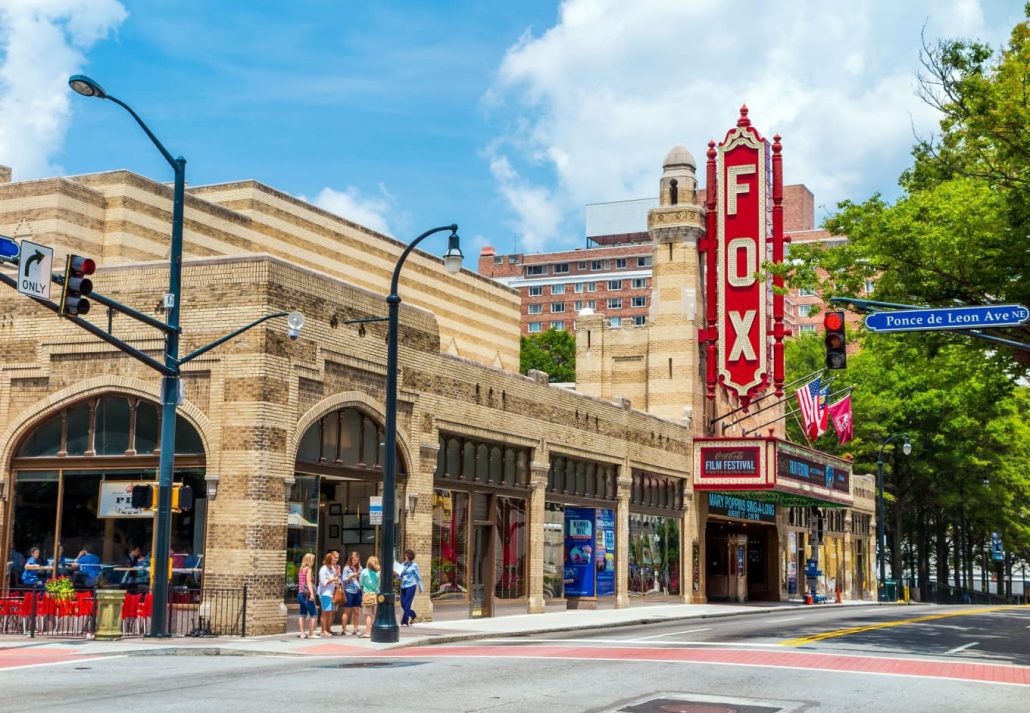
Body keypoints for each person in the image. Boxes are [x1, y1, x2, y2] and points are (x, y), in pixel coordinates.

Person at [316, 551, 340, 637]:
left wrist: (336, 582)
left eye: (335, 560)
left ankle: (328, 629)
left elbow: (335, 579)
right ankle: (323, 631)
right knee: (325, 612)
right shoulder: (323, 569)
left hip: (331, 593)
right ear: (328, 560)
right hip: (324, 593)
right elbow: (323, 582)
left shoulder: (332, 569)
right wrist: (333, 579)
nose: (335, 561)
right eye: (333, 560)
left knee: (330, 612)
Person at [398, 549, 424, 626]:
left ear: (409, 556)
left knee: (407, 604)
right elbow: (400, 576)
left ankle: (404, 622)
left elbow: (418, 576)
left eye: (405, 555)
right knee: (403, 604)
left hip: (411, 586)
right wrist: (397, 575)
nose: (404, 556)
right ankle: (413, 615)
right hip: (403, 586)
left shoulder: (414, 565)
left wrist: (420, 587)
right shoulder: (403, 564)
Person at [295, 553, 319, 639]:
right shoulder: (308, 569)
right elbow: (308, 582)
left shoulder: (301, 569)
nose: (313, 561)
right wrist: (312, 594)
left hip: (300, 594)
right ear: (309, 560)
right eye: (313, 559)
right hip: (306, 595)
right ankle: (311, 633)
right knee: (314, 613)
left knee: (302, 613)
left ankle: (302, 633)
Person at [340, 551, 363, 635]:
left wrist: (359, 576)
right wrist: (351, 576)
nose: (355, 561)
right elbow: (343, 580)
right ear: (351, 558)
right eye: (353, 559)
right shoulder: (347, 568)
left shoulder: (360, 568)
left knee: (356, 611)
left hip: (357, 591)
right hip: (349, 591)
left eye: (356, 560)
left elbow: (362, 580)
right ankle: (344, 629)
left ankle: (356, 629)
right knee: (347, 611)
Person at [359, 555, 380, 638]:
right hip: (375, 594)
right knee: (373, 614)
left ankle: (368, 632)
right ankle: (374, 631)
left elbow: (361, 583)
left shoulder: (364, 572)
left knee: (368, 615)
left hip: (367, 594)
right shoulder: (378, 573)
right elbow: (378, 585)